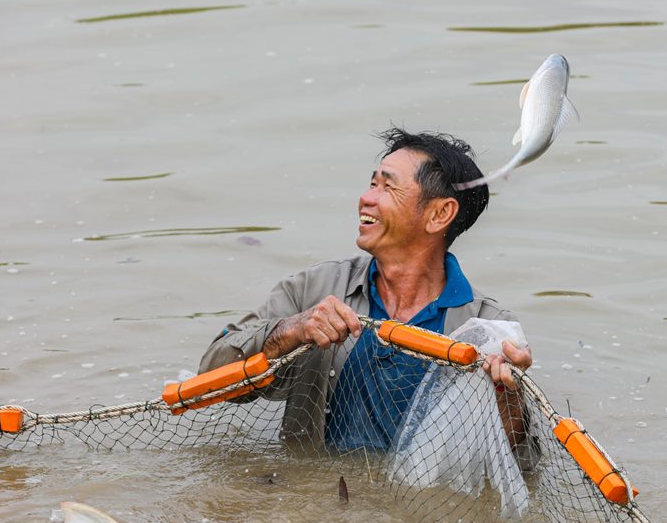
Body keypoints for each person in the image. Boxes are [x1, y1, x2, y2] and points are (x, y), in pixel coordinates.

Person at [199, 127, 532, 448]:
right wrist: (293, 330)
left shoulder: (489, 328)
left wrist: (508, 397)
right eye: (371, 183)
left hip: (415, 504)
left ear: (439, 214)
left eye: (387, 187)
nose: (365, 198)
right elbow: (208, 383)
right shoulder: (314, 289)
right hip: (315, 500)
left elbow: (519, 464)